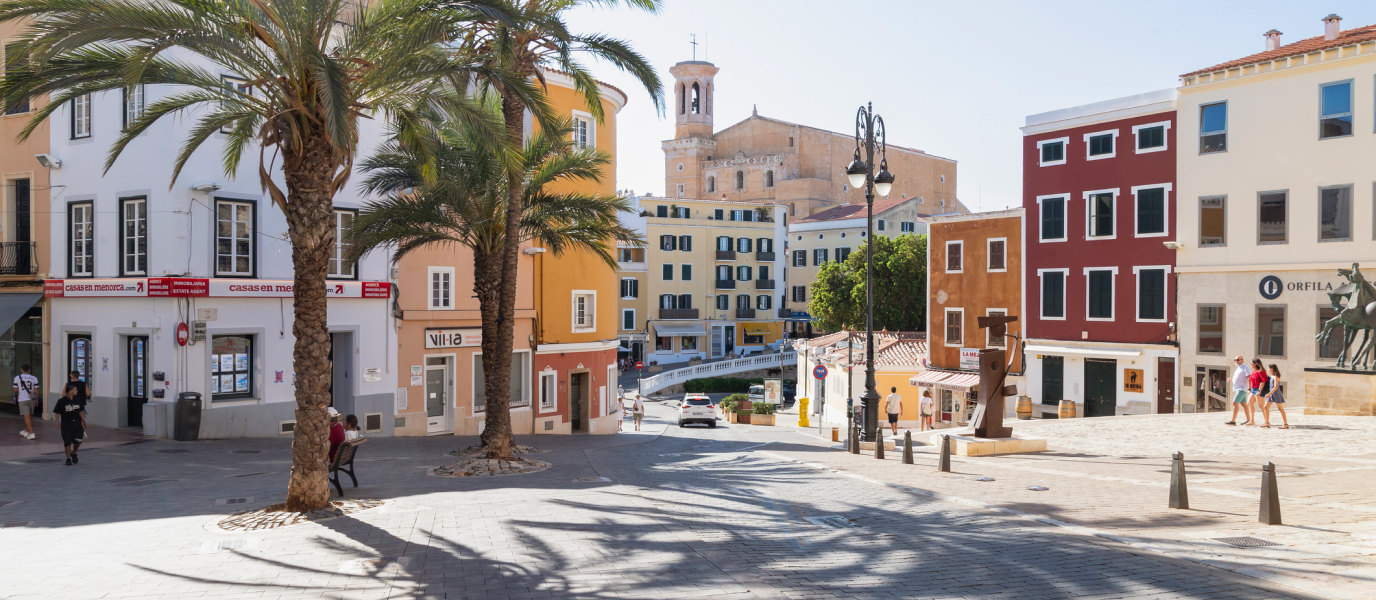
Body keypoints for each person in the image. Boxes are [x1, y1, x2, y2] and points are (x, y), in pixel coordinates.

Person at [54, 385, 85, 466]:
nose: (77, 391)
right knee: (67, 442)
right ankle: (68, 459)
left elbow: (80, 411)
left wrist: (84, 421)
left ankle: (74, 453)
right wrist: (57, 421)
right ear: (70, 391)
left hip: (77, 424)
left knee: (78, 440)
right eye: (75, 390)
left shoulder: (78, 399)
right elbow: (57, 412)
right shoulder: (61, 401)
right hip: (66, 424)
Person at [14, 363, 39, 440]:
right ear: (29, 370)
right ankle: (26, 431)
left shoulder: (17, 378)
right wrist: (36, 399)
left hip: (22, 399)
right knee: (30, 415)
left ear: (21, 369)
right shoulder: (34, 378)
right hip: (31, 398)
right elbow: (36, 390)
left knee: (26, 416)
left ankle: (31, 433)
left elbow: (15, 389)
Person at [1261, 364, 1290, 429]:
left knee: (1280, 408)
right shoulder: (1272, 376)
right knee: (1265, 407)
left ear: (1272, 369)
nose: (1268, 369)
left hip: (1276, 393)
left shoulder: (1276, 376)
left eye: (1268, 368)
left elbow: (1276, 386)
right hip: (1271, 393)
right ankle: (1267, 423)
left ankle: (1285, 424)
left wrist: (1269, 393)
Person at [64, 371, 89, 442]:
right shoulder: (84, 384)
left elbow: (63, 394)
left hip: (71, 403)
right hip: (81, 403)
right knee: (81, 418)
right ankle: (81, 432)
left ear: (72, 376)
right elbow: (88, 393)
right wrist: (83, 397)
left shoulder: (68, 384)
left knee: (71, 418)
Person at [1226, 355, 1249, 425]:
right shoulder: (1239, 368)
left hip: (1242, 388)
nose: (1236, 361)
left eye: (1238, 359)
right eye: (1235, 360)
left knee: (1235, 403)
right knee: (1244, 404)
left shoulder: (1245, 367)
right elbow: (1239, 377)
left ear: (1242, 360)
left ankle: (1233, 421)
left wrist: (1250, 388)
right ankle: (1249, 420)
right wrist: (1231, 379)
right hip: (1239, 388)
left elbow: (1249, 377)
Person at [1246, 358, 1266, 426]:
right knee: (1249, 403)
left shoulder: (1261, 371)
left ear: (1255, 364)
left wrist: (1259, 390)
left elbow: (1263, 381)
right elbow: (1251, 381)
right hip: (1253, 390)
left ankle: (1267, 421)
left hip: (1259, 390)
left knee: (1261, 406)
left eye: (1251, 363)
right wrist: (1250, 389)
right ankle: (1252, 421)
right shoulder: (1254, 371)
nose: (1251, 364)